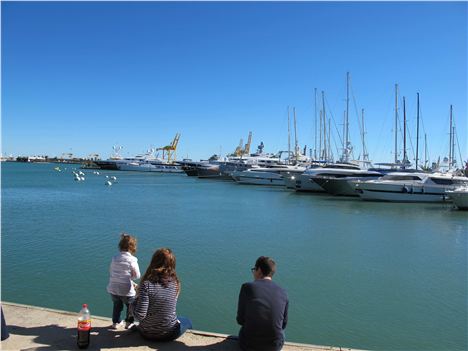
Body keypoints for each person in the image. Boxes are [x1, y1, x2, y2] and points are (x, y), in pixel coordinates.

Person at [132, 248, 192, 341]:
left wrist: (135, 299)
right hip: (169, 334)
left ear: (153, 262)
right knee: (187, 321)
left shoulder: (146, 284)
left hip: (146, 334)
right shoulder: (175, 283)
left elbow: (139, 315)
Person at [236, 256, 289, 351]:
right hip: (274, 347)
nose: (253, 273)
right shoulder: (283, 292)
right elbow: (283, 325)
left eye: (254, 270)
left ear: (259, 270)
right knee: (281, 332)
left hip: (249, 346)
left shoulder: (247, 287)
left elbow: (240, 320)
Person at [107, 233, 141, 329]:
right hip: (126, 290)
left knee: (117, 306)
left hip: (113, 288)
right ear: (132, 248)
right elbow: (137, 275)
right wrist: (131, 278)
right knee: (130, 306)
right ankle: (129, 323)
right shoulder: (132, 260)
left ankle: (116, 322)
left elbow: (111, 271)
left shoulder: (114, 258)